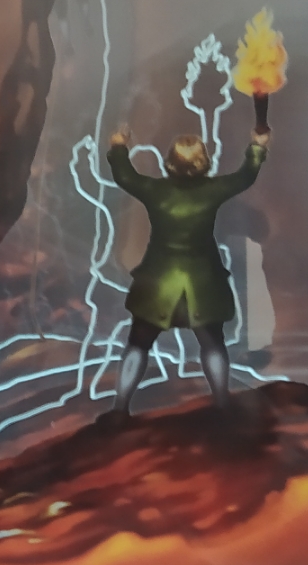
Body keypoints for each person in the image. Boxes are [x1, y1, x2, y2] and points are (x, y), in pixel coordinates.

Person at [105, 124, 270, 415]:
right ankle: (222, 404)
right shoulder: (212, 191)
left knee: (138, 344)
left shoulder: (155, 191)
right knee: (213, 345)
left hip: (158, 282)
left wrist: (119, 146)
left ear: (170, 161)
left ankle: (120, 409)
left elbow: (125, 176)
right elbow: (246, 176)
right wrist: (257, 146)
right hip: (202, 282)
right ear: (203, 160)